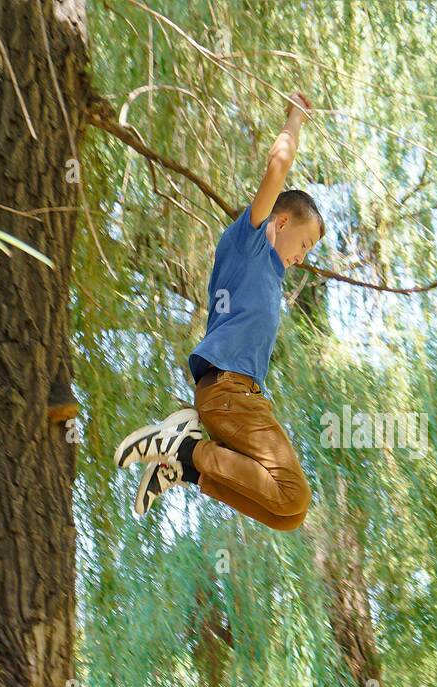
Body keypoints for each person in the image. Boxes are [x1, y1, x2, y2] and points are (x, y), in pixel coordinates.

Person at [114, 91, 323, 532]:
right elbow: (277, 168)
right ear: (281, 222)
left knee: (290, 512)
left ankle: (185, 467)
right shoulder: (247, 242)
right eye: (304, 243)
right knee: (293, 493)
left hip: (243, 397)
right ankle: (181, 449)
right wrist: (295, 119)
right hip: (230, 393)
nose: (303, 257)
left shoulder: (271, 273)